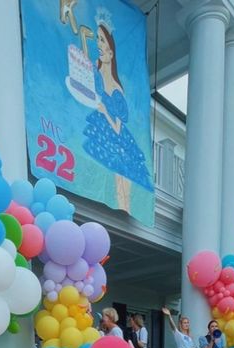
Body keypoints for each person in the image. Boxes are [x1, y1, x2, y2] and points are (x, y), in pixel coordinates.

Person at [81, 19, 153, 213]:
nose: (99, 44)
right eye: (98, 39)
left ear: (111, 52)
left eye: (103, 40)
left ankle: (125, 206)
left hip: (118, 139)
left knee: (122, 190)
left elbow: (118, 127)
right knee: (105, 179)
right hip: (103, 133)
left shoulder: (116, 87)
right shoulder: (95, 69)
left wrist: (105, 112)